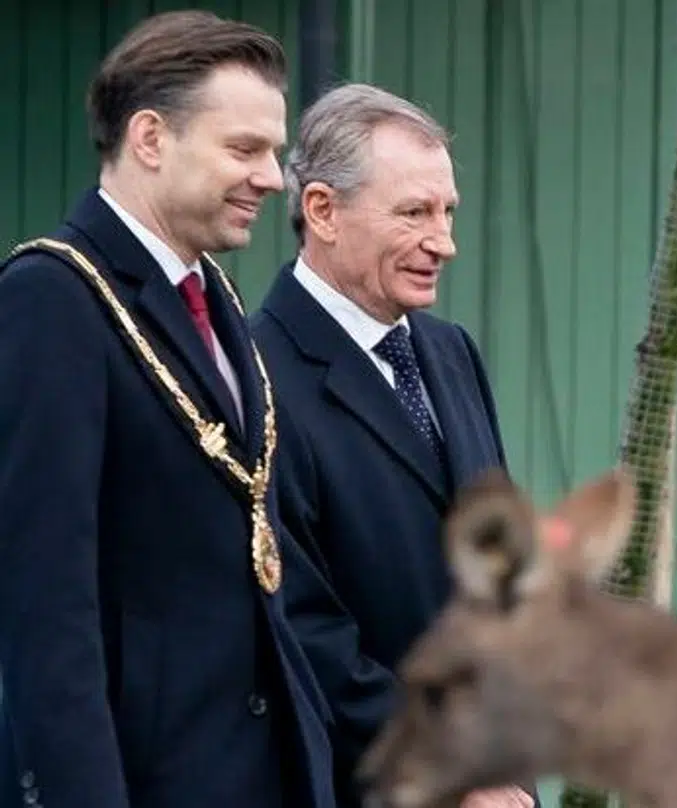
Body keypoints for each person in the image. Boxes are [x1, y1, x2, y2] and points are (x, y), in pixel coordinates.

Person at [0, 11, 340, 808]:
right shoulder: (52, 297)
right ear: (150, 138)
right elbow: (47, 605)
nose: (272, 178)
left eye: (273, 152)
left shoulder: (210, 294)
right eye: (244, 149)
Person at [249, 83, 532, 808]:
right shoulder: (253, 377)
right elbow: (302, 626)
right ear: (322, 210)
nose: (444, 242)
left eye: (447, 212)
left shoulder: (451, 352)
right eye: (414, 213)